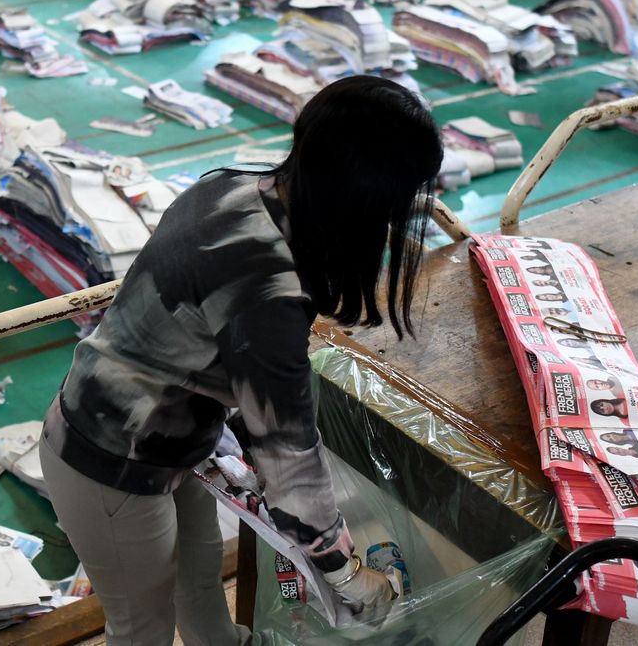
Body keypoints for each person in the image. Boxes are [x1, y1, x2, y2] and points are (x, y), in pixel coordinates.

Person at [39, 76, 445, 645]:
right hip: (108, 460)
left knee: (199, 587)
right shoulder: (270, 296)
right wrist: (350, 576)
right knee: (142, 628)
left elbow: (196, 342)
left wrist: (236, 434)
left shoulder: (233, 187)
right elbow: (292, 466)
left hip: (169, 439)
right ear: (363, 199)